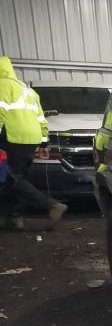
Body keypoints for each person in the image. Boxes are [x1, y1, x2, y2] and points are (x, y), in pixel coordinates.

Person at [0, 56, 67, 230]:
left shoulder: (1, 86)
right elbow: (40, 118)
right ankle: (14, 218)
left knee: (9, 177)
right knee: (14, 177)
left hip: (12, 138)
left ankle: (52, 205)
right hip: (31, 139)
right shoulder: (27, 90)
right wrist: (44, 143)